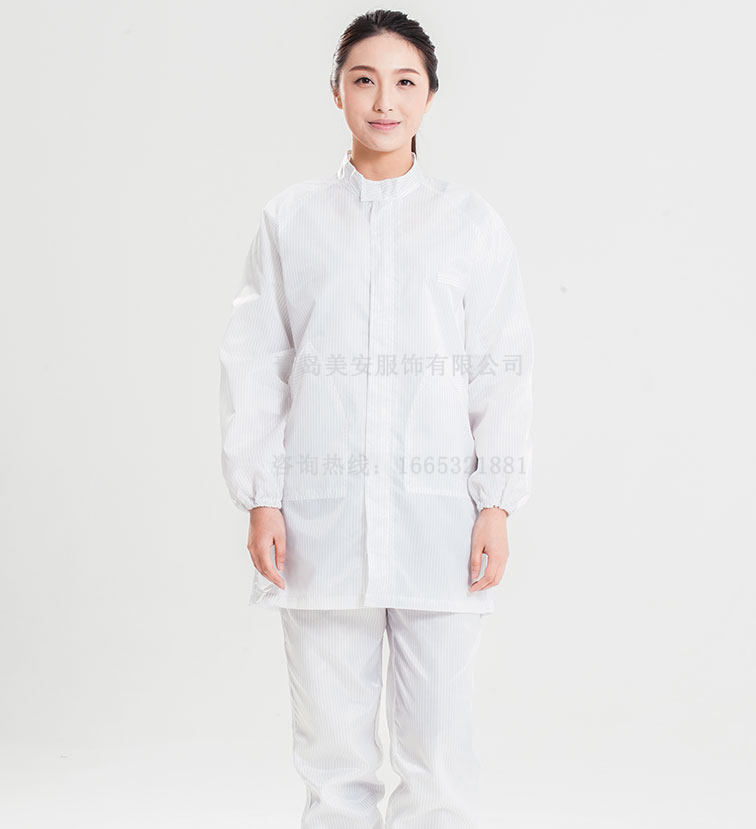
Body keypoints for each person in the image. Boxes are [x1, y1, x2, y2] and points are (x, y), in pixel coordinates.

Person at [219, 10, 534, 828]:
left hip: (439, 524)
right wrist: (262, 496)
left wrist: (496, 503)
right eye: (364, 80)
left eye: (404, 82)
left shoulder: (470, 225)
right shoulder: (291, 221)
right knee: (334, 766)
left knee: (441, 761)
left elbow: (500, 370)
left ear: (430, 97)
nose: (384, 101)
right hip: (320, 525)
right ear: (337, 93)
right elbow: (257, 362)